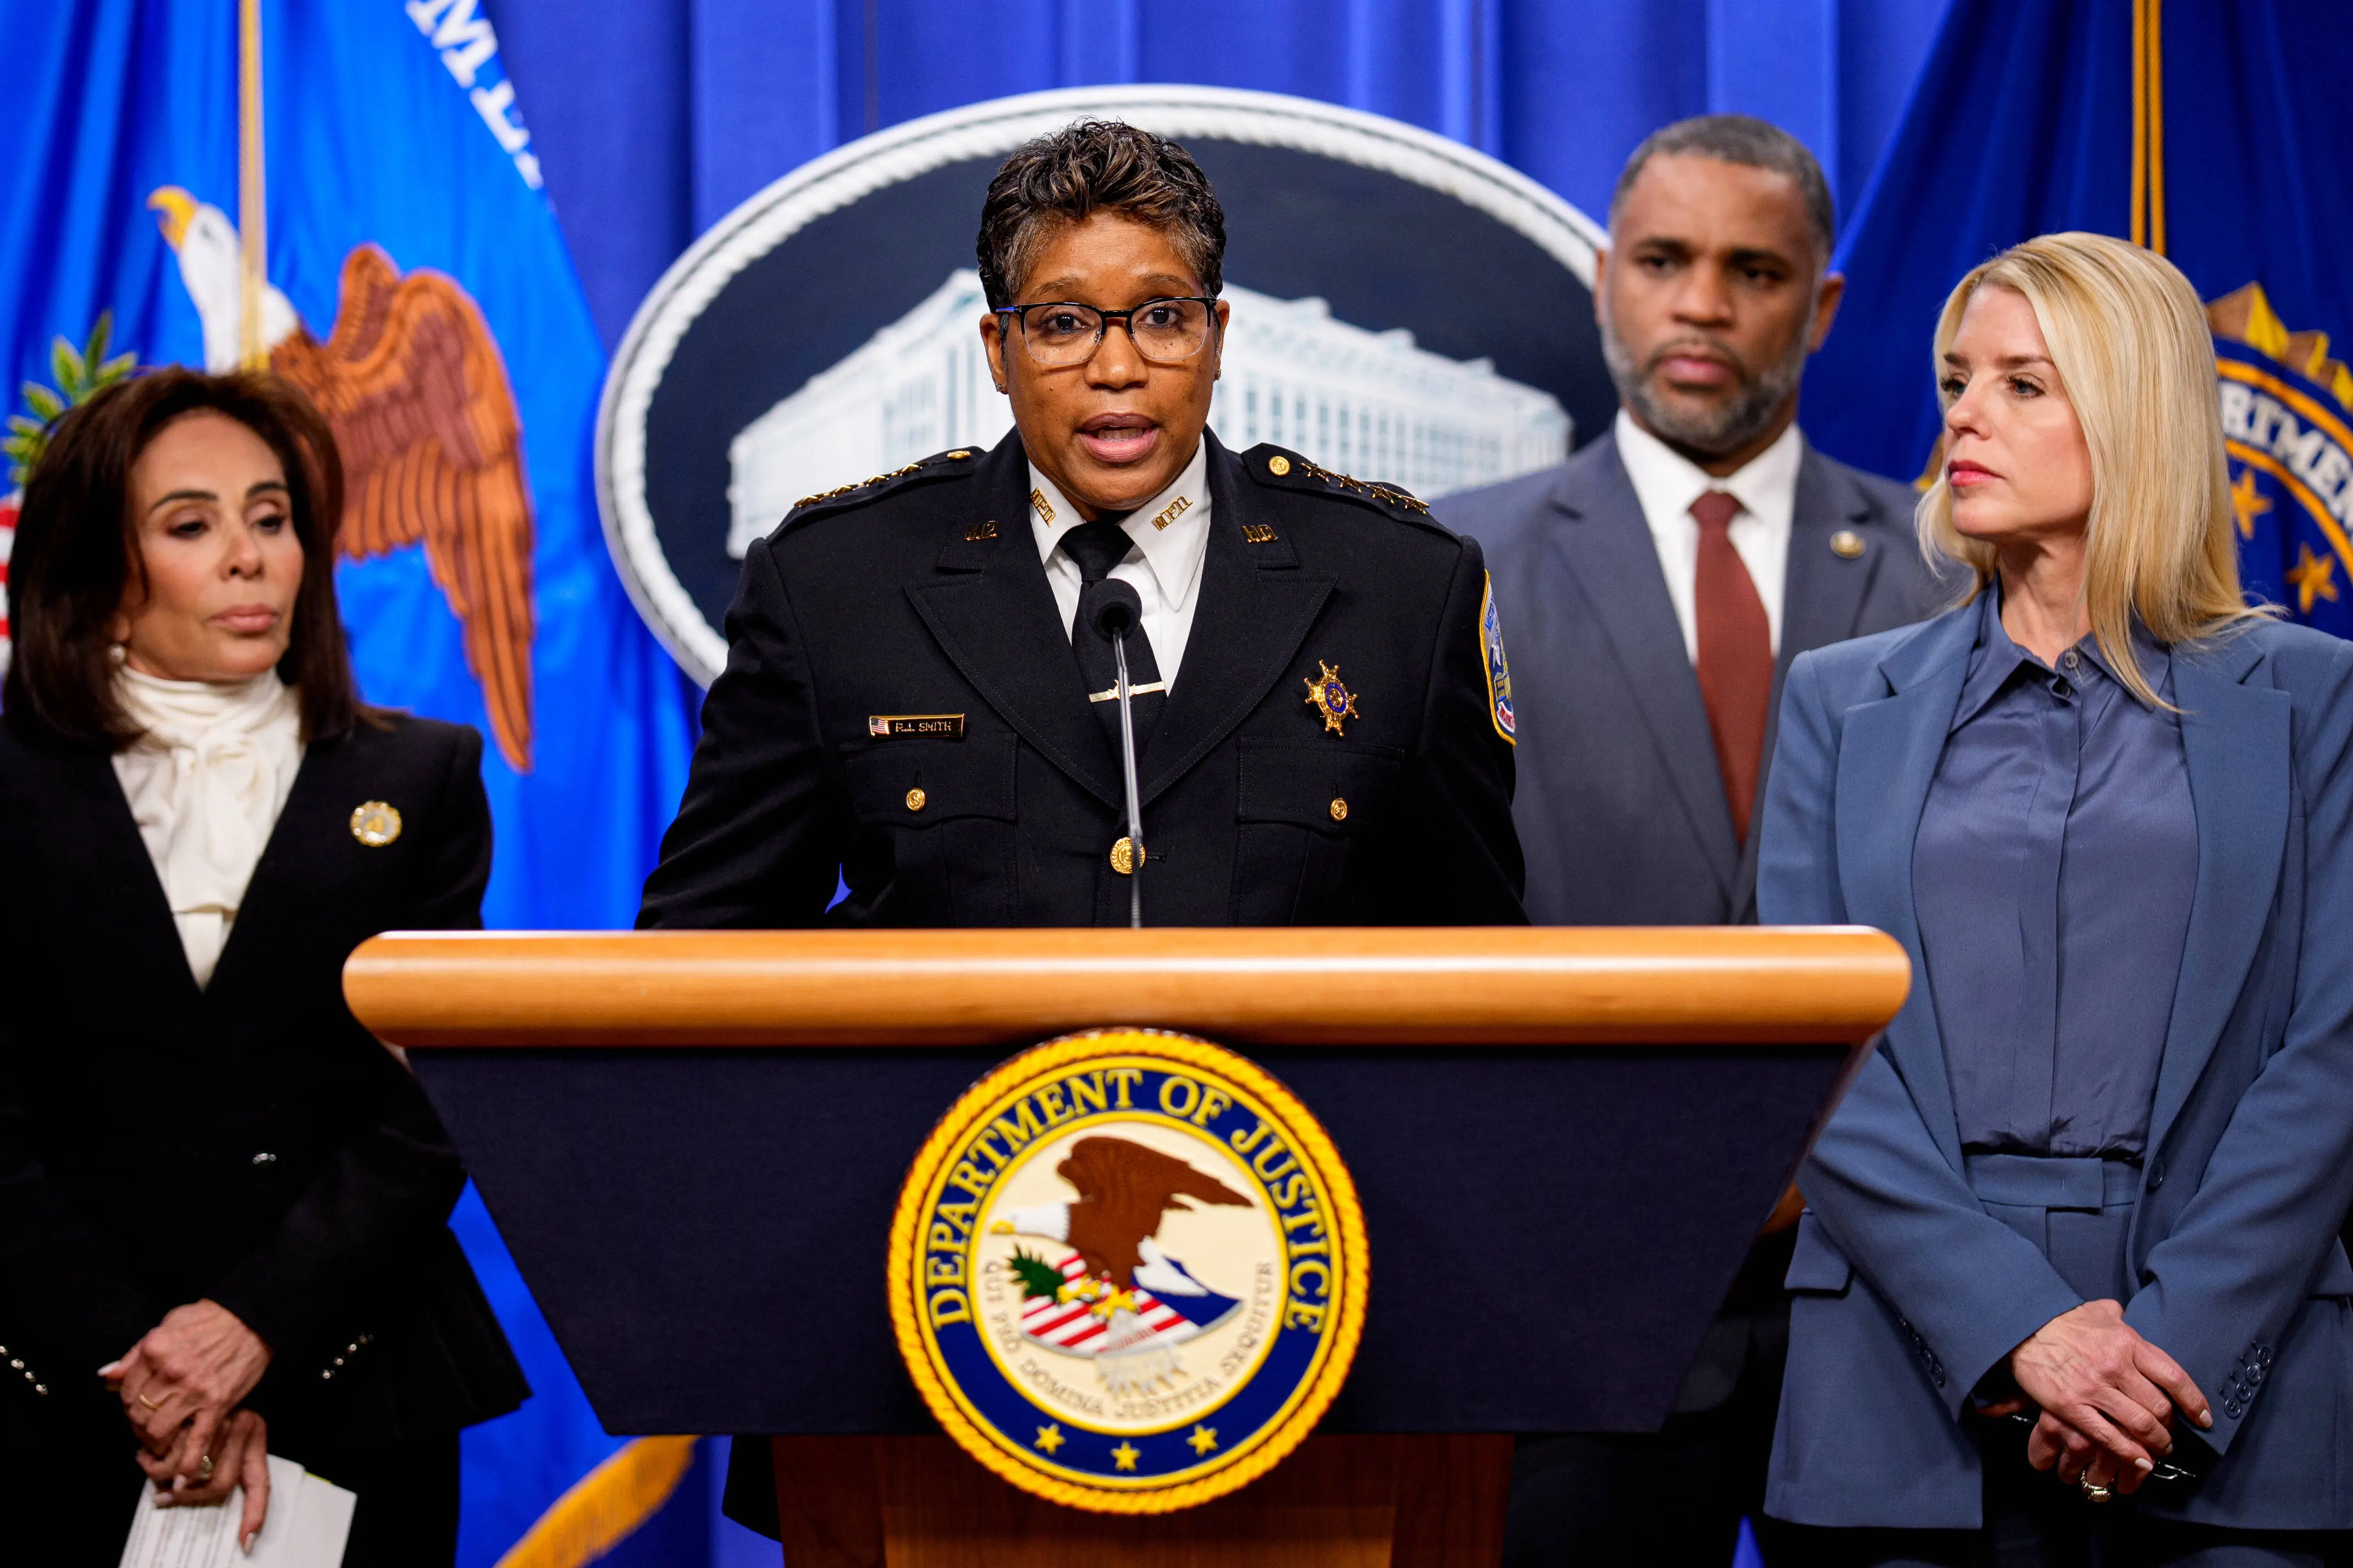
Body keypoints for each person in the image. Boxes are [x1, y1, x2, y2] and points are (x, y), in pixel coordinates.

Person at [638, 118, 1525, 1532]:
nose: (1116, 366)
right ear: (996, 349)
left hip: (1319, 1346)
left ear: (1220, 334)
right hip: (919, 1341)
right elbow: (698, 967)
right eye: (1063, 323)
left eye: (1158, 316)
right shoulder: (840, 584)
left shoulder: (1396, 586)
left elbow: (1486, 987)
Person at [1759, 231, 2353, 1562]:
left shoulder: (2317, 700)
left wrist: (2162, 1354)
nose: (1964, 414)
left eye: (2024, 384)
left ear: (2133, 410)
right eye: (1959, 379)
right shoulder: (1838, 701)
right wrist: (2016, 1326)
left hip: (2227, 1397)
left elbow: (2333, 1060)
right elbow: (1808, 1047)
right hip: (1895, 1390)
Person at [1443, 115, 1949, 1565]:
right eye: (1665, 262)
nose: (1705, 305)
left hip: (1899, 1309)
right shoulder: (1444, 566)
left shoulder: (1953, 571)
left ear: (1825, 304)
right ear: (1607, 279)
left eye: (1753, 269)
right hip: (1568, 1315)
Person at [0, 369, 528, 1565]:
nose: (250, 557)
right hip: (51, 1381)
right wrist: (151, 1365)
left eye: (272, 515)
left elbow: (433, 1098)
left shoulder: (422, 779)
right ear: (94, 575)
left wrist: (257, 1325)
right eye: (191, 525)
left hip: (352, 1372)